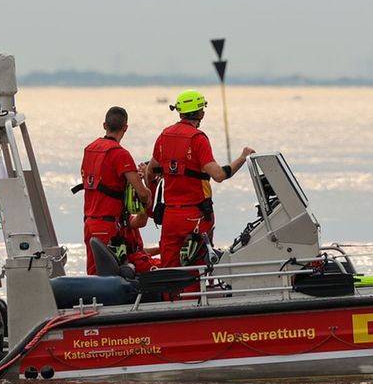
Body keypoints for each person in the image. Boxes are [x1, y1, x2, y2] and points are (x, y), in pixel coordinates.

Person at [149, 89, 254, 270]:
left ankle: (170, 297)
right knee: (198, 267)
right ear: (201, 113)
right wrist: (243, 157)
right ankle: (195, 298)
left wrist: (151, 207)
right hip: (195, 217)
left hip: (170, 217)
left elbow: (150, 172)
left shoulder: (164, 136)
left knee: (169, 268)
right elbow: (219, 175)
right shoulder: (198, 139)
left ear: (180, 111)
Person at [79, 106, 156, 272]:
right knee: (112, 275)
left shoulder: (89, 150)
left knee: (94, 274)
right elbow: (143, 195)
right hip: (109, 226)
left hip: (90, 223)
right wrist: (147, 181)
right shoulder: (120, 154)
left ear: (104, 125)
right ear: (125, 128)